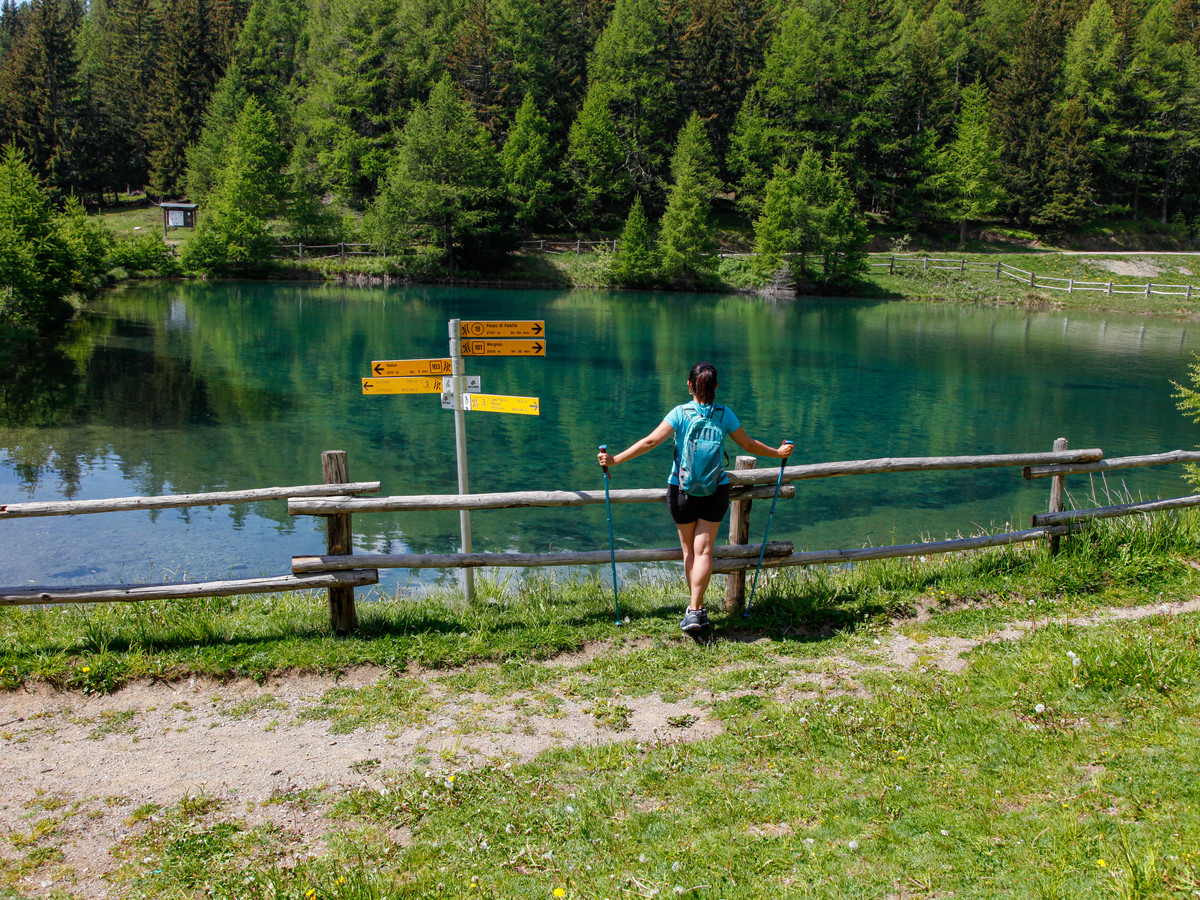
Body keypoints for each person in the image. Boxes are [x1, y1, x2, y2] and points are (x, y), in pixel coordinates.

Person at [597, 361, 793, 632]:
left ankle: (695, 611)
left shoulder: (680, 413)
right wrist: (778, 453)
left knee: (689, 551)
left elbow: (650, 442)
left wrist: (615, 459)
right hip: (716, 489)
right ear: (716, 387)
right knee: (705, 551)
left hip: (681, 489)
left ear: (690, 385)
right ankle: (695, 608)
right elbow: (748, 445)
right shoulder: (724, 414)